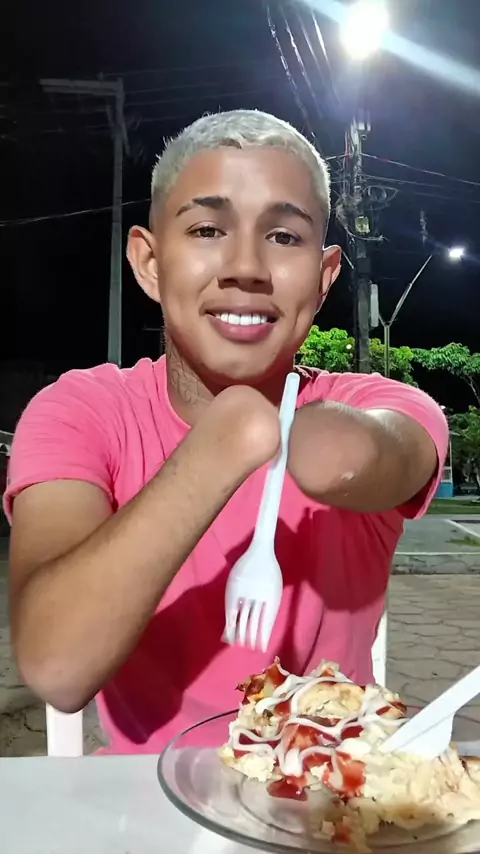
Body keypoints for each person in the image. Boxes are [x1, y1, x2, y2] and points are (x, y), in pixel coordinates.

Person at [5, 110, 448, 754]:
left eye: (285, 237)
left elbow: (363, 455)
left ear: (324, 277)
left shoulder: (374, 402)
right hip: (142, 795)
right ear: (150, 262)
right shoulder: (82, 411)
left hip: (331, 790)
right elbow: (57, 667)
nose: (245, 266)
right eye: (208, 229)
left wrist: (283, 429)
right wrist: (224, 442)